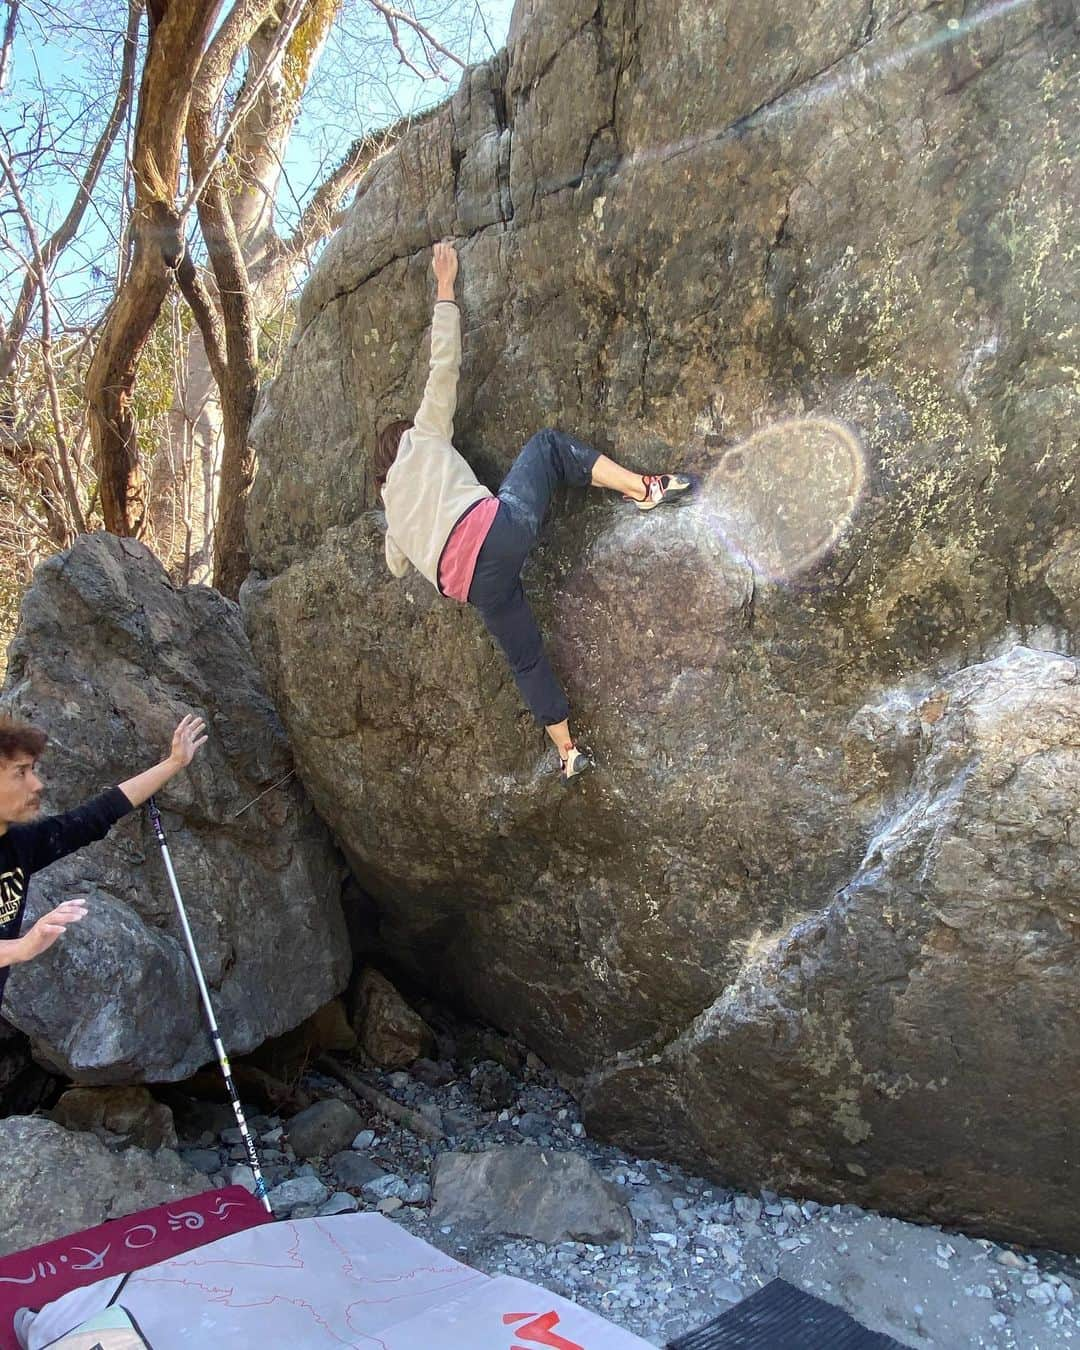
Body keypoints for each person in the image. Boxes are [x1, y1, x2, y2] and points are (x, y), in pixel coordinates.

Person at [376, 241, 693, 782]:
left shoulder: (391, 516)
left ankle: (567, 752)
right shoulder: (421, 437)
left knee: (525, 660)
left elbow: (397, 566)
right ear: (401, 438)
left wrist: (406, 528)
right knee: (547, 449)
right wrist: (445, 287)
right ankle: (643, 489)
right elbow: (443, 366)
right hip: (495, 533)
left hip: (477, 587)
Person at [0, 712, 208, 1005]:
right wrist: (20, 948)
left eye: (33, 769)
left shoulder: (20, 844)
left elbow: (96, 816)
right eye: (21, 772)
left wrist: (173, 763)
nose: (36, 784)